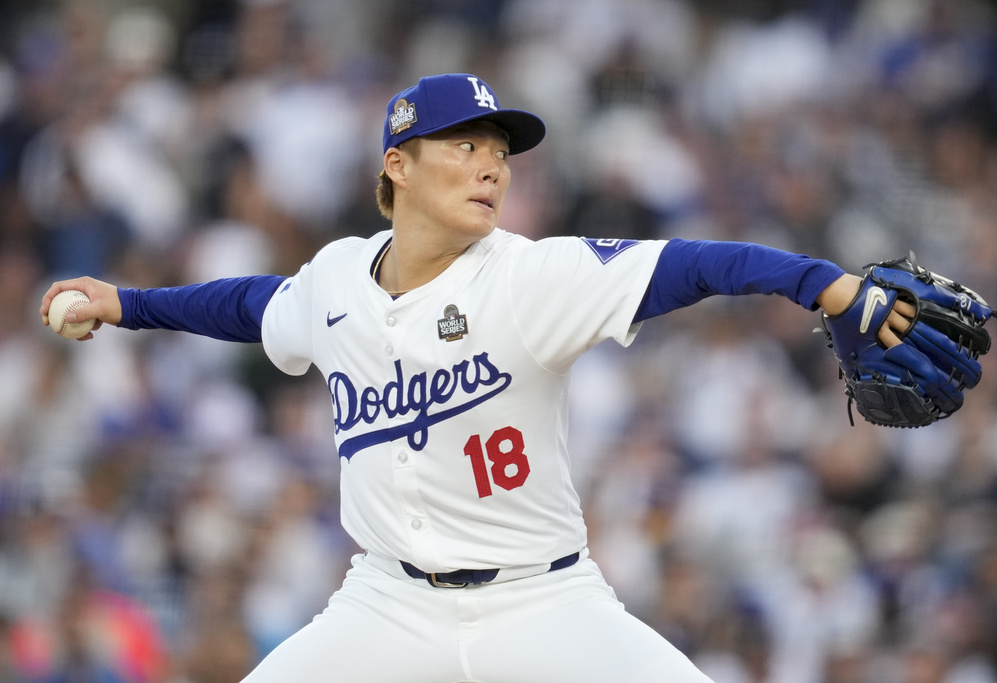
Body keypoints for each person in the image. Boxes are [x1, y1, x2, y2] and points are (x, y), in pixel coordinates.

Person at [40, 73, 912, 682]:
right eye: (465, 146)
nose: (493, 165)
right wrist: (125, 301)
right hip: (386, 603)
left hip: (543, 597)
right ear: (398, 165)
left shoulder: (530, 276)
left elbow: (695, 263)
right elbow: (252, 304)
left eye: (501, 151)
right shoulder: (338, 277)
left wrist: (825, 283)